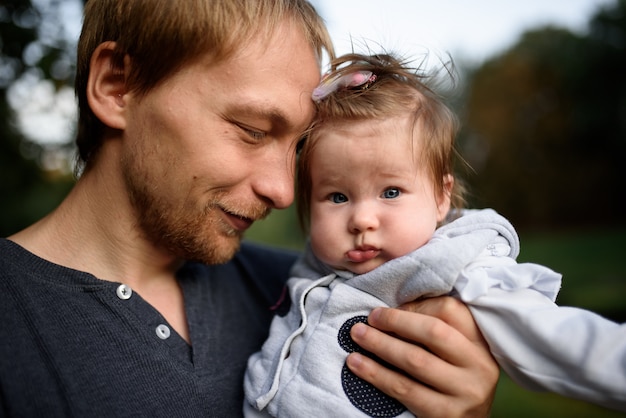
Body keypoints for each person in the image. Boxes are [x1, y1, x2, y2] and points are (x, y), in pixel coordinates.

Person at [0, 1, 500, 417]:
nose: (284, 191)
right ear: (117, 86)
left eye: (297, 147)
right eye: (253, 130)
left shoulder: (317, 292)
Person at [244, 52, 626, 417]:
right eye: (337, 196)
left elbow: (556, 339)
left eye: (391, 192)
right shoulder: (311, 269)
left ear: (442, 198)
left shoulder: (453, 271)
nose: (361, 219)